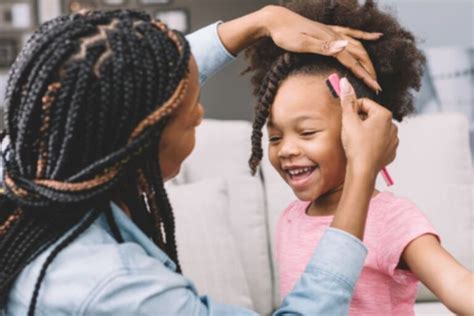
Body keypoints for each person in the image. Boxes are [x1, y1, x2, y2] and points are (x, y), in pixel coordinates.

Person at [0, 6, 398, 316]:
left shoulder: (24, 163)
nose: (200, 114)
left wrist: (262, 21)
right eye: (190, 116)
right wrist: (361, 172)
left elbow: (140, 83)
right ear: (142, 143)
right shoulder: (115, 287)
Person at [245, 1, 474, 315]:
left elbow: (458, 284)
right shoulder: (290, 217)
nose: (286, 149)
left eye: (307, 132)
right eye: (274, 137)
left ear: (360, 127)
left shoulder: (391, 218)